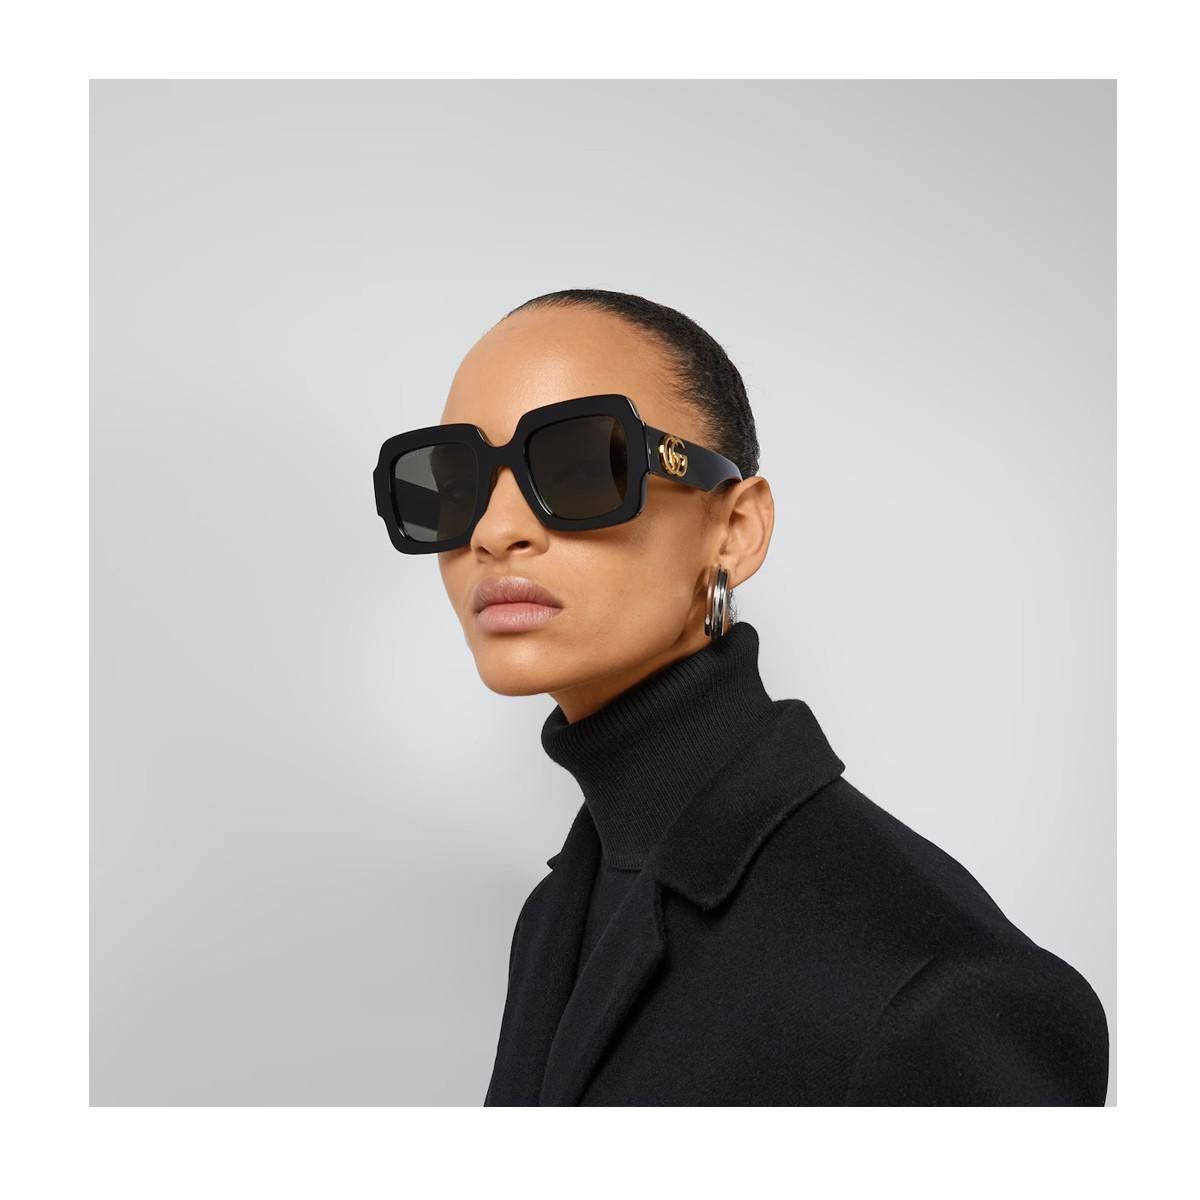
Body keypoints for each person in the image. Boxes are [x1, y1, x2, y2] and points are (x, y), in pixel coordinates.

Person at [372, 287, 1110, 1105]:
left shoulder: (943, 991)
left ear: (735, 531)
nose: (492, 531)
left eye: (580, 466)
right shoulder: (558, 913)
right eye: (454, 481)